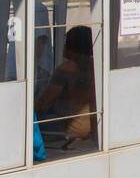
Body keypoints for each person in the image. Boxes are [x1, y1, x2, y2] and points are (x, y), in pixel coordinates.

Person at [33, 25, 97, 154]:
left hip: (70, 130)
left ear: (71, 46)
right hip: (94, 129)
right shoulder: (97, 66)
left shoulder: (66, 69)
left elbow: (43, 104)